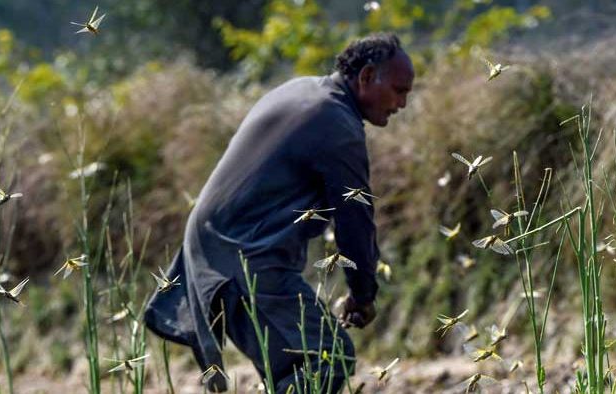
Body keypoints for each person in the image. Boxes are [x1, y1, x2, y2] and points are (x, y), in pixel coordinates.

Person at [144, 32, 414, 393]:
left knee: (297, 368)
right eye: (399, 90)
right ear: (366, 77)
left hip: (216, 249)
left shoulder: (303, 91)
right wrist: (363, 295)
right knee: (328, 358)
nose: (403, 103)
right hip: (244, 259)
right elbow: (354, 220)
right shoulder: (337, 124)